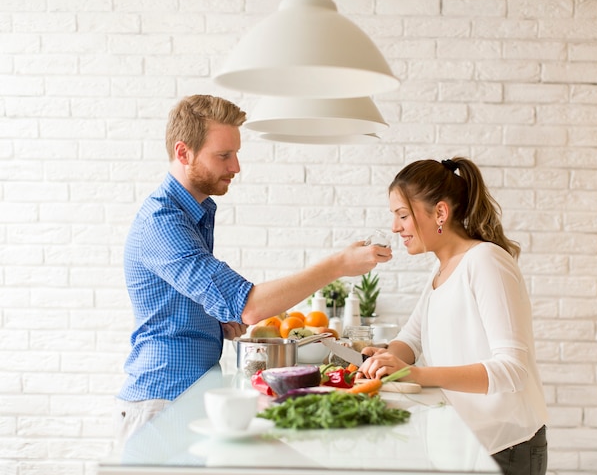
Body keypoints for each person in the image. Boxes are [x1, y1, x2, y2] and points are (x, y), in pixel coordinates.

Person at [115, 94, 392, 444]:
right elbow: (250, 305)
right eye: (223, 155)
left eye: (236, 154)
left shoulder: (192, 215)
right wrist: (338, 264)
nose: (236, 167)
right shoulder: (163, 222)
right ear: (183, 153)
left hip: (187, 396)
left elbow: (183, 298)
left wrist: (215, 321)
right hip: (162, 403)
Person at [358, 157, 548, 475]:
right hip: (464, 441)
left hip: (504, 447)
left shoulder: (486, 261)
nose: (394, 227)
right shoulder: (442, 268)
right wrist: (385, 359)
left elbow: (512, 371)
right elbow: (411, 338)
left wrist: (414, 374)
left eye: (402, 215)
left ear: (441, 213)